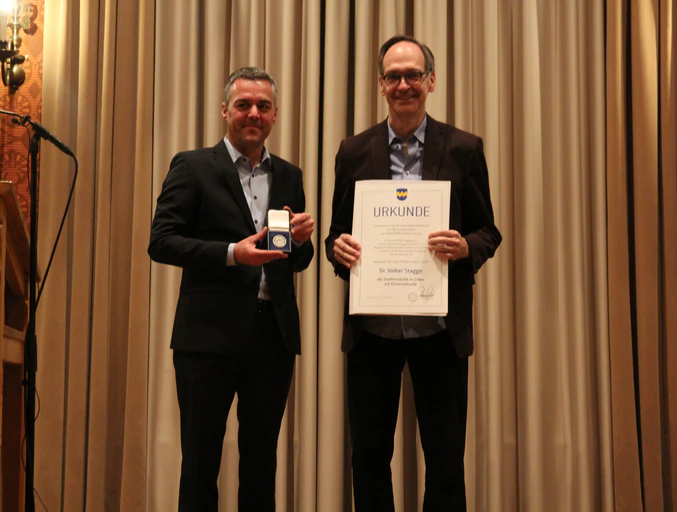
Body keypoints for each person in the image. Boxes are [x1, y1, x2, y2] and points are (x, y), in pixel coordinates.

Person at [325, 35, 501, 511]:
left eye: (413, 75)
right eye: (394, 76)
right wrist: (338, 249)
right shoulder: (353, 151)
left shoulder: (464, 148)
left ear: (431, 81)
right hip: (372, 332)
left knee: (445, 465)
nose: (404, 85)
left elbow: (488, 232)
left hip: (439, 331)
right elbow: (337, 234)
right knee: (368, 462)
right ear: (380, 84)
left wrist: (465, 246)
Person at [149, 66, 315, 512]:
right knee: (200, 464)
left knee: (261, 465)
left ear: (275, 114)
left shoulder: (290, 175)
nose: (253, 113)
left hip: (272, 337)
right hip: (207, 339)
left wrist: (302, 243)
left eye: (263, 106)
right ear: (225, 110)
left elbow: (293, 261)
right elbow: (161, 241)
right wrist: (230, 253)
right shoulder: (193, 166)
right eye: (243, 105)